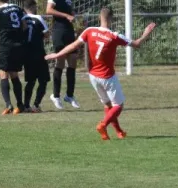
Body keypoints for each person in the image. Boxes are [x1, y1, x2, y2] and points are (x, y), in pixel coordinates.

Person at [46, 8, 155, 139]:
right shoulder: (114, 36)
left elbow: (74, 46)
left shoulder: (89, 31)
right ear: (111, 19)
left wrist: (57, 54)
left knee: (107, 105)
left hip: (93, 77)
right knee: (118, 106)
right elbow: (137, 44)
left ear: (99, 18)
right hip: (108, 77)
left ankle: (119, 132)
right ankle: (103, 125)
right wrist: (146, 33)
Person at [46, 0, 80, 109]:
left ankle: (69, 95)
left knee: (72, 61)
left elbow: (67, 11)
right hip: (59, 31)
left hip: (68, 31)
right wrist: (66, 16)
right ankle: (55, 95)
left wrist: (71, 14)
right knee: (60, 61)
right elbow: (49, 10)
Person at [0, 0, 27, 115]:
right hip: (18, 45)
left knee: (3, 74)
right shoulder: (17, 7)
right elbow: (24, 26)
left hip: (6, 45)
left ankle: (8, 105)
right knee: (15, 75)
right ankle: (20, 105)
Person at [22, 0, 51, 112]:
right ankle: (36, 105)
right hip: (38, 53)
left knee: (30, 81)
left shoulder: (22, 19)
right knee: (43, 80)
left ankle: (26, 105)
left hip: (27, 53)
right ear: (33, 7)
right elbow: (47, 34)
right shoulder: (38, 18)